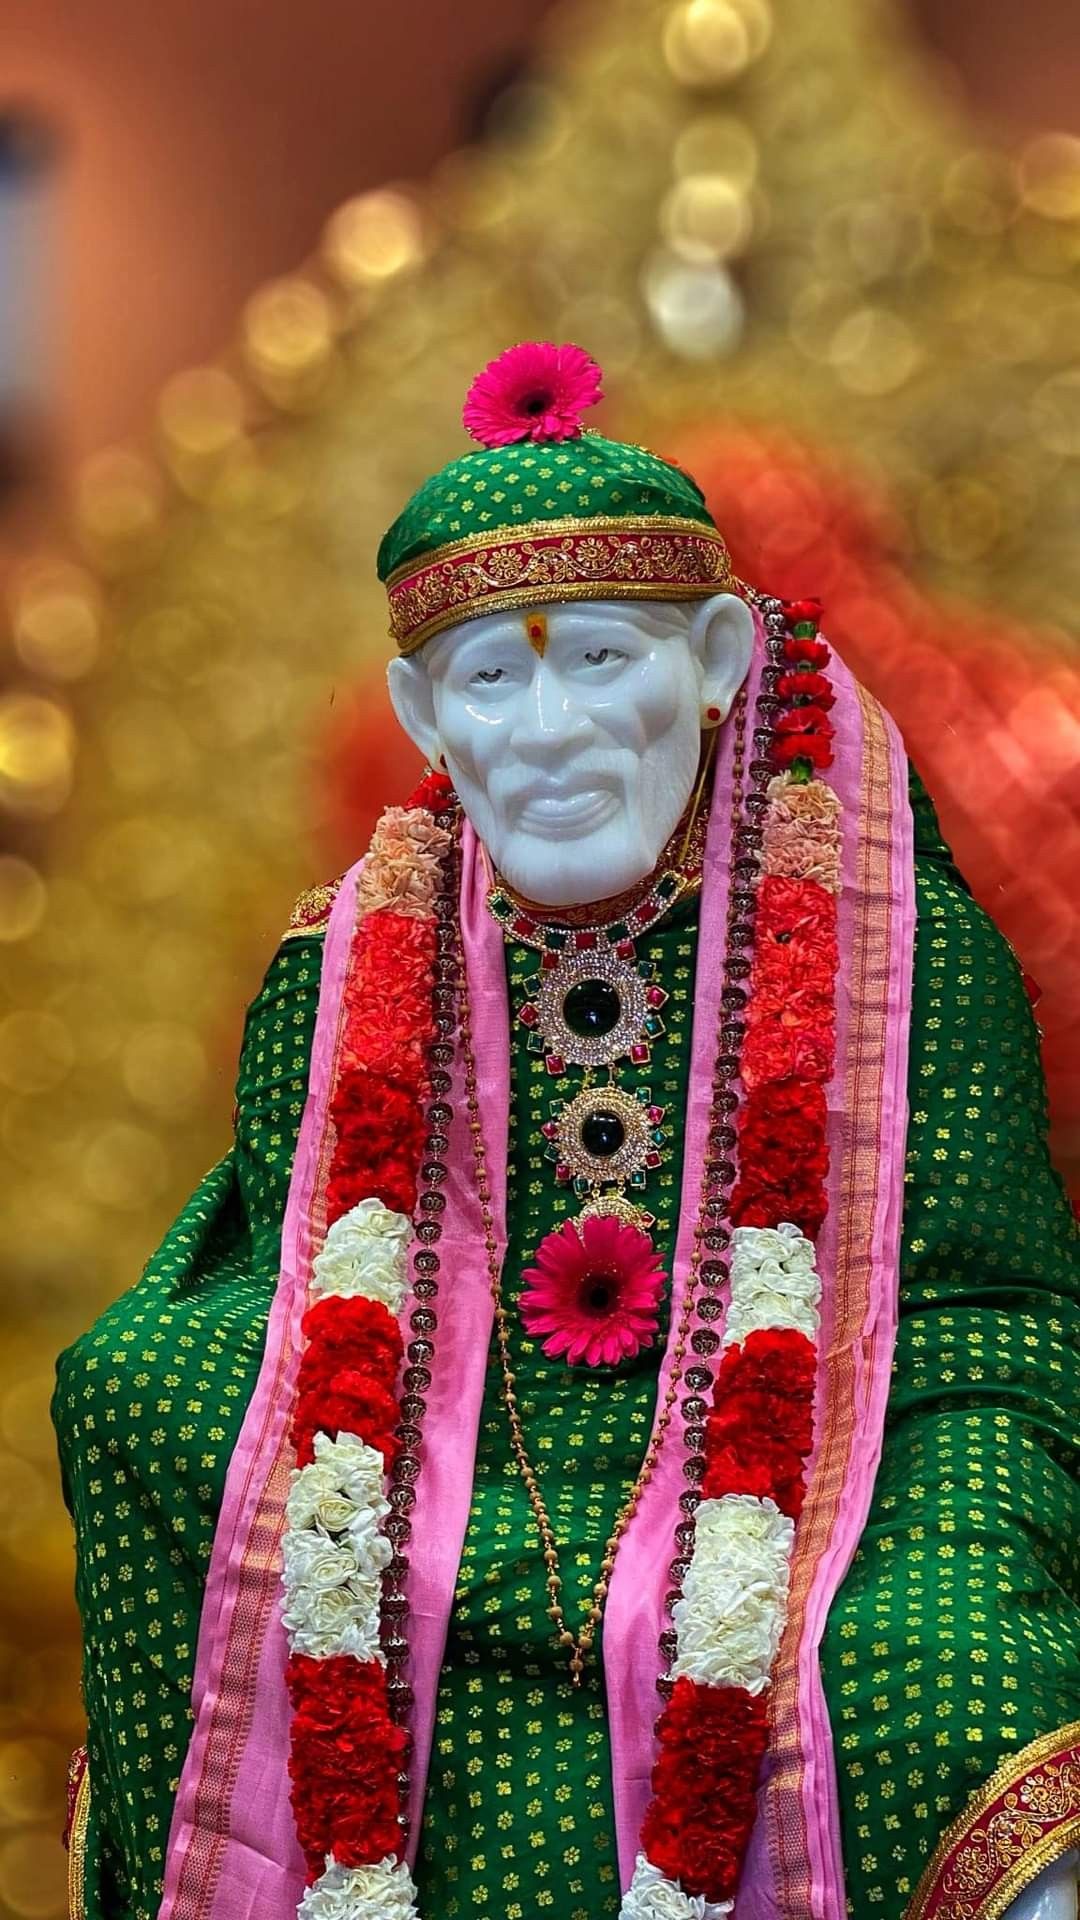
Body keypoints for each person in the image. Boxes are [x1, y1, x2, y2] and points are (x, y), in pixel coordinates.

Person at [54, 344, 1079, 1920]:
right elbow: (285, 1280)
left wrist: (910, 1534)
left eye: (600, 659)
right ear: (420, 709)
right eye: (491, 675)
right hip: (428, 1490)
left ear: (723, 657)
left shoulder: (900, 955)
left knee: (935, 1674)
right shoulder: (337, 974)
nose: (546, 728)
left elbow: (991, 1317)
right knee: (128, 1393)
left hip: (824, 1485)